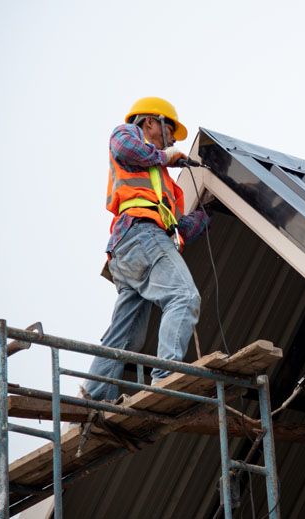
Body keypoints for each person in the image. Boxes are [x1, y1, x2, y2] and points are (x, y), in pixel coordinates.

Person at [82, 97, 209, 402]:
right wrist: (166, 155)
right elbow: (126, 149)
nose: (172, 139)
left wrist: (205, 215)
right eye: (169, 128)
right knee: (183, 296)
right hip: (139, 235)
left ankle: (96, 395)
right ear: (149, 121)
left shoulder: (162, 183)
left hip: (132, 249)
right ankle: (165, 377)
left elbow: (179, 229)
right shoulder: (127, 134)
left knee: (126, 334)